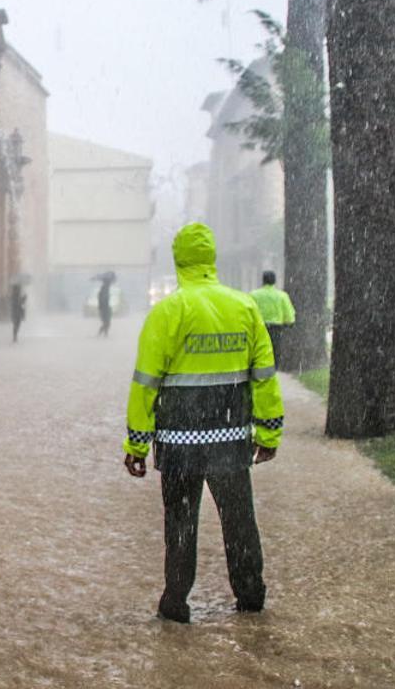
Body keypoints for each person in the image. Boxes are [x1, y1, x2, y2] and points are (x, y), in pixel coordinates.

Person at [122, 223, 284, 624]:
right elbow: (264, 376)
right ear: (211, 258)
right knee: (239, 521)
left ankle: (176, 603)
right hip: (231, 439)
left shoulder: (167, 313)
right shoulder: (244, 307)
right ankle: (250, 599)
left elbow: (145, 384)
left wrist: (137, 445)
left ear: (178, 261)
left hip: (178, 443)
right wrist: (269, 433)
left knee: (180, 524)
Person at [249, 271, 296, 370]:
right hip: (276, 328)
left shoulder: (254, 295)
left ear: (263, 280)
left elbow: (248, 311)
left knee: (259, 350)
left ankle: (259, 369)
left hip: (259, 327)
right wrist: (289, 322)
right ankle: (273, 370)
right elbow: (289, 314)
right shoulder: (282, 296)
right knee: (275, 350)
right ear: (274, 281)